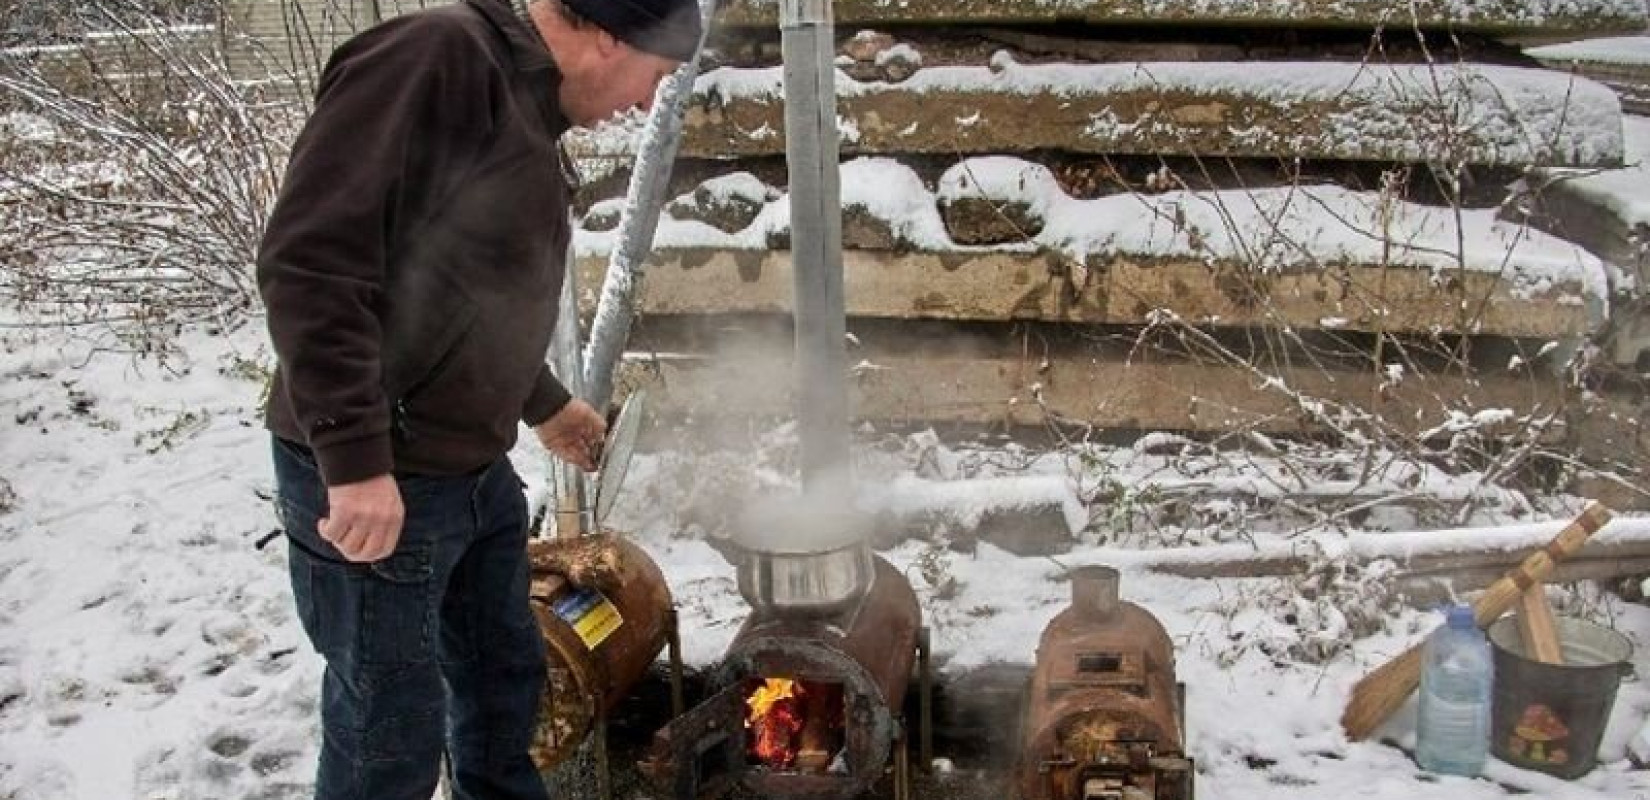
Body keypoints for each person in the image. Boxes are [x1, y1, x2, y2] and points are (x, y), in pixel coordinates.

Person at [255, 0, 701, 798]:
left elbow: (466, 290)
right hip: (383, 475)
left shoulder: (526, 102)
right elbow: (312, 263)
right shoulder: (434, 59)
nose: (643, 103)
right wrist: (354, 462)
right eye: (655, 76)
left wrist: (545, 403)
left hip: (470, 473)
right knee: (388, 735)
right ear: (609, 34)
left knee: (504, 690)